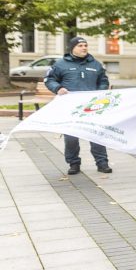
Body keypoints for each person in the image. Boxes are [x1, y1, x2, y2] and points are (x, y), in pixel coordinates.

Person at [44, 36, 112, 175]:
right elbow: (49, 79)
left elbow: (103, 81)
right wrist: (57, 88)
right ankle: (74, 163)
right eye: (80, 46)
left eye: (85, 45)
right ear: (72, 48)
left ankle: (102, 163)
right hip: (70, 109)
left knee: (96, 134)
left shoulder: (96, 64)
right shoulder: (60, 64)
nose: (84, 48)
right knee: (71, 138)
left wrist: (100, 92)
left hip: (93, 107)